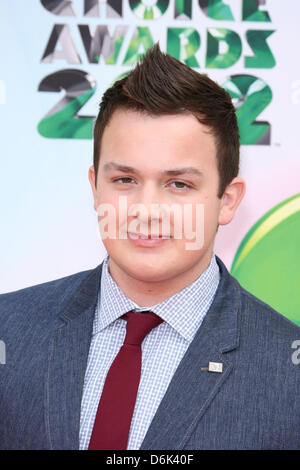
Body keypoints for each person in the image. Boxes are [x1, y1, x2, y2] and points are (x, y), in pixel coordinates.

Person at [1, 44, 299, 451]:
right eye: (125, 180)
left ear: (227, 201)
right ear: (95, 187)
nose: (146, 210)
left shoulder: (290, 372)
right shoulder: (7, 329)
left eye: (179, 184)